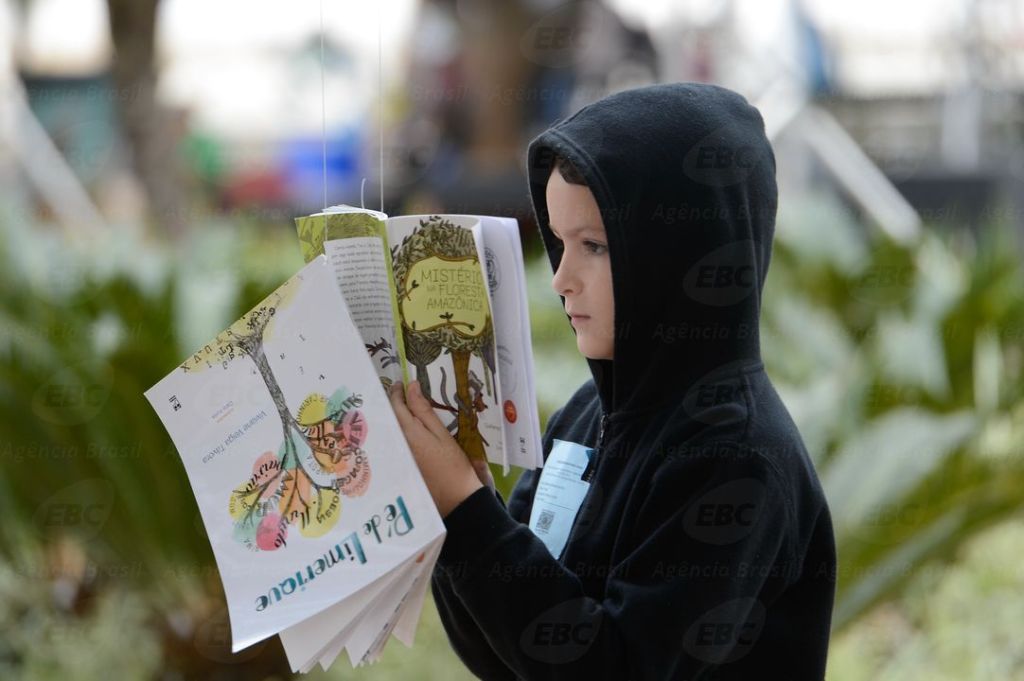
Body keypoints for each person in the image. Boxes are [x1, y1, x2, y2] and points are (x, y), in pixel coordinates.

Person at [388, 82, 837, 680]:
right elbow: (509, 658)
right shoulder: (586, 416)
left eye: (596, 246)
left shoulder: (736, 457)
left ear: (679, 251)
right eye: (559, 242)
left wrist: (469, 516)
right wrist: (464, 509)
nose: (561, 279)